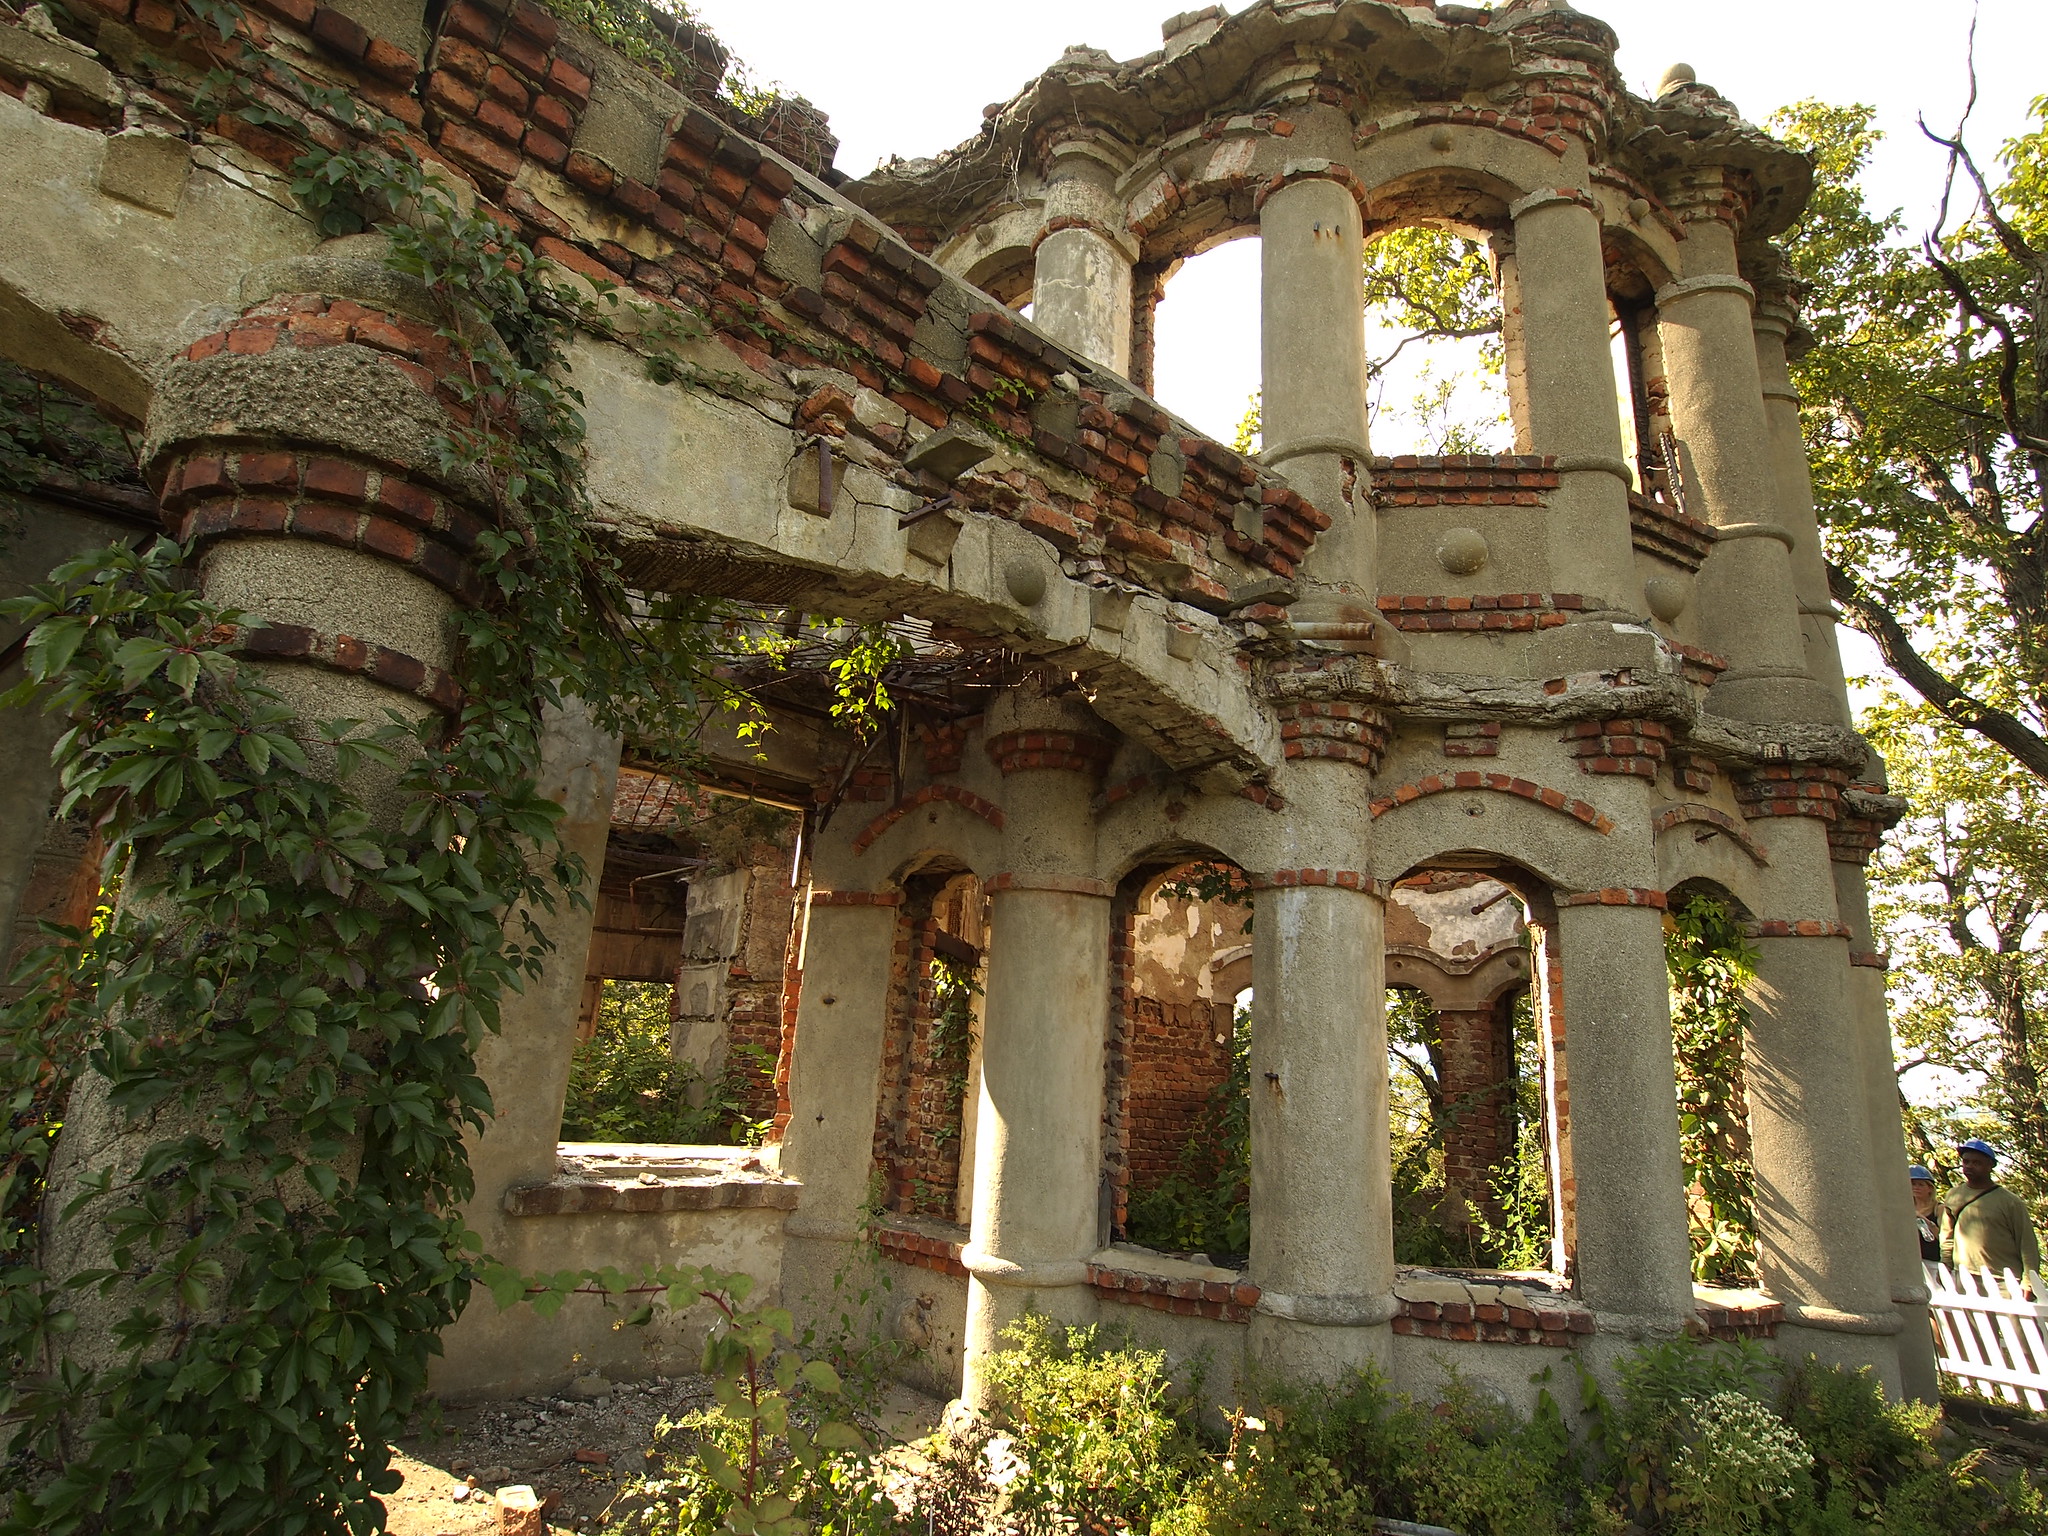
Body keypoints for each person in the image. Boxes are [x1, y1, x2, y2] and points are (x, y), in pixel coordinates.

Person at [1940, 1138, 2043, 1291]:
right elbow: (1947, 1236)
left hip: (2003, 1281)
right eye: (1966, 1162)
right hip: (1964, 1276)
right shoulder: (1954, 1196)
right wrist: (1946, 1266)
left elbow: (2027, 1244)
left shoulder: (2010, 1202)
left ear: (1990, 1166)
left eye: (1977, 1163)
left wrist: (2028, 1282)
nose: (1969, 1166)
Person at [1910, 1165, 1941, 1262]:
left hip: (1933, 1261)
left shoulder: (1939, 1208)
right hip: (1913, 1259)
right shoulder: (1905, 1208)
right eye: (1913, 1184)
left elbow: (1943, 1237)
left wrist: (1925, 1220)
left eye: (1920, 1184)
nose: (1916, 1188)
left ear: (1930, 1188)